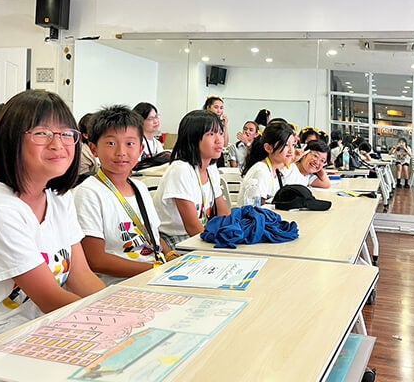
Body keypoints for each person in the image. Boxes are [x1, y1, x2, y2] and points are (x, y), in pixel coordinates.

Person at [0, 90, 105, 338]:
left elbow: (80, 276)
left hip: (44, 326)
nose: (57, 144)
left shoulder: (59, 198)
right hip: (0, 338)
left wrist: (117, 307)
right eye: (42, 133)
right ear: (11, 139)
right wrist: (111, 321)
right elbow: (50, 298)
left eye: (66, 134)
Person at [73, 105, 178, 285]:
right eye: (111, 143)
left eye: (130, 144)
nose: (121, 152)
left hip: (154, 274)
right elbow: (96, 260)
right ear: (93, 149)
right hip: (119, 284)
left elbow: (152, 235)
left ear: (140, 149)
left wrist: (170, 256)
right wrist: (156, 270)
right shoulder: (88, 193)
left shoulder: (140, 188)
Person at [154, 110, 230, 249]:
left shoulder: (211, 167)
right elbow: (191, 226)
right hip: (174, 238)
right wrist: (216, 249)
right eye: (211, 134)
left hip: (202, 232)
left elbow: (223, 212)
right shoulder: (180, 169)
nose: (219, 140)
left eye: (220, 133)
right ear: (193, 138)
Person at [239, 121, 298, 205]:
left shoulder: (279, 169)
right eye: (285, 145)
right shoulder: (261, 171)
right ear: (268, 148)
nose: (291, 150)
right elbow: (258, 207)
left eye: (293, 145)